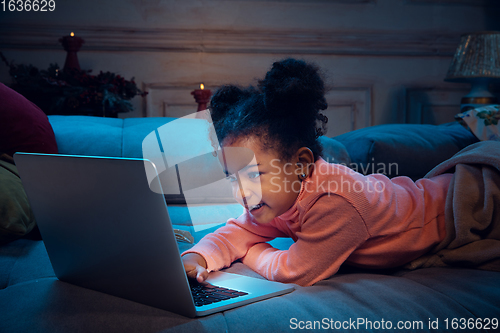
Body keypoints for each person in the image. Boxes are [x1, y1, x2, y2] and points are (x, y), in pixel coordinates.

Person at [181, 58, 499, 287]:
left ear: (301, 164)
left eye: (254, 174)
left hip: (465, 202)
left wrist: (252, 251)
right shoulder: (272, 198)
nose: (242, 192)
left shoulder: (334, 202)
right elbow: (236, 231)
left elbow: (295, 271)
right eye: (231, 177)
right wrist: (199, 258)